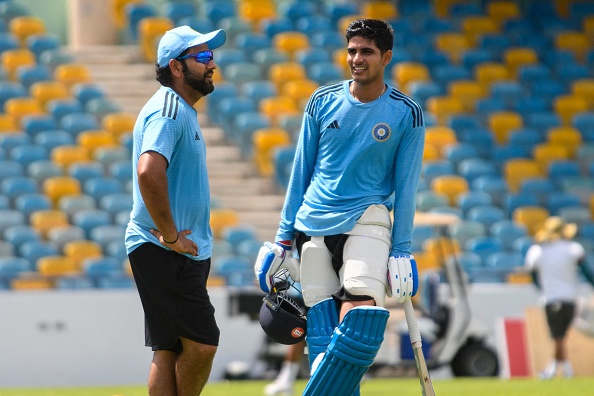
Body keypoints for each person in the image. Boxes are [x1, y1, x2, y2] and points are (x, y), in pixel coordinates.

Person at [255, 18, 425, 395]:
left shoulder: (406, 113)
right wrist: (283, 240)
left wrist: (402, 249)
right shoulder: (321, 101)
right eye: (351, 50)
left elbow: (406, 187)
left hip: (368, 220)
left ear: (387, 57)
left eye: (366, 51)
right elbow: (300, 172)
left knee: (359, 321)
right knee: (322, 339)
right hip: (312, 226)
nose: (356, 58)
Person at [125, 25, 226, 395]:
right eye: (201, 57)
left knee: (168, 349)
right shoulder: (170, 108)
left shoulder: (181, 110)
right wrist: (170, 236)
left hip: (172, 250)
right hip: (167, 250)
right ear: (177, 67)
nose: (211, 63)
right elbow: (148, 171)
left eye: (210, 55)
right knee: (202, 344)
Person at [524, 216, 594, 380]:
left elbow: (533, 274)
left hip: (551, 297)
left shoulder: (538, 251)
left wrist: (542, 287)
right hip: (570, 297)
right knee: (560, 336)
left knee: (558, 336)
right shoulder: (573, 248)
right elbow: (586, 270)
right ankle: (562, 368)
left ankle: (557, 370)